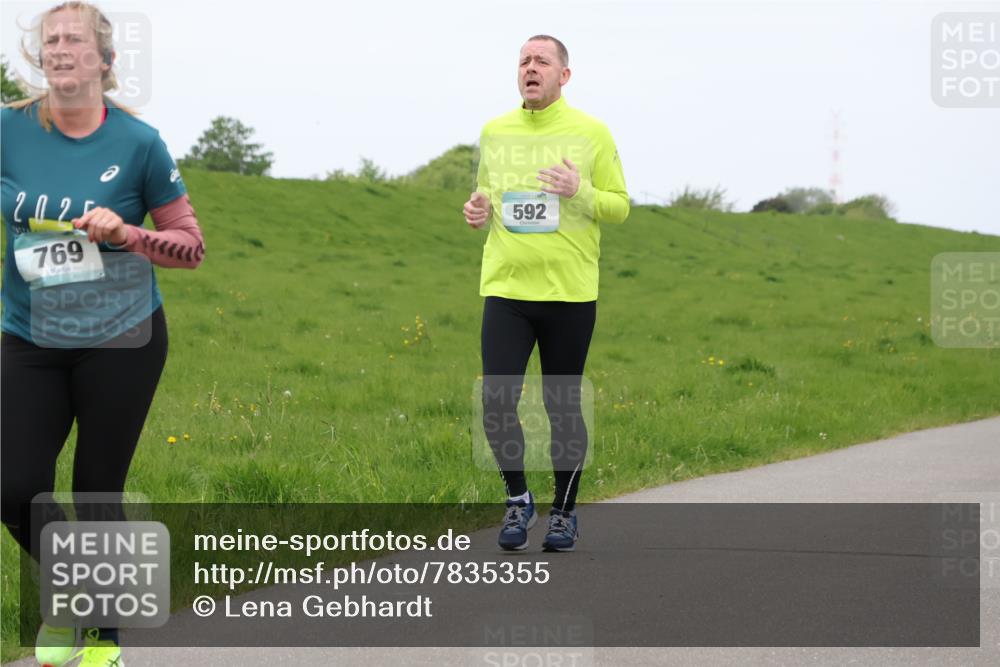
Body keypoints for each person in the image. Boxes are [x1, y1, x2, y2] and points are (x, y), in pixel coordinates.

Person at [1, 3, 204, 665]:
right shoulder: (8, 130)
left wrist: (128, 234)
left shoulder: (138, 144)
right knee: (12, 483)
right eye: (50, 39)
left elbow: (190, 247)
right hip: (29, 332)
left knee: (96, 489)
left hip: (122, 334)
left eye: (75, 40)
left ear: (105, 61)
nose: (60, 48)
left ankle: (104, 643)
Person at [464, 35, 629, 552]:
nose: (530, 69)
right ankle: (518, 499)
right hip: (507, 288)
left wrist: (579, 190)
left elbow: (620, 206)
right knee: (496, 400)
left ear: (564, 75)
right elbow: (490, 195)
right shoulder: (495, 132)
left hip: (569, 293)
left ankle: (564, 511)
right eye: (523, 62)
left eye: (541, 61)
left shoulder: (592, 133)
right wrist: (478, 210)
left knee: (561, 406)